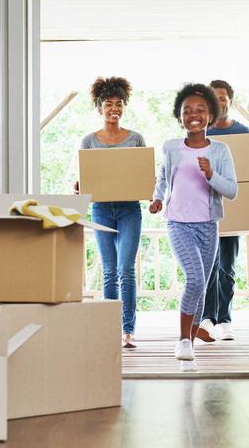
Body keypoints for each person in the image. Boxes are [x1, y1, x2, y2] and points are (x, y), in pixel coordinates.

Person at [149, 83, 238, 371]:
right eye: (187, 111)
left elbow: (232, 190)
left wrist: (211, 174)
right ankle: (183, 340)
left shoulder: (221, 151)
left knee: (202, 284)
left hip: (208, 224)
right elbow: (162, 178)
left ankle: (195, 328)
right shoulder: (171, 147)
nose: (194, 115)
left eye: (200, 110)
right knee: (196, 280)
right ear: (180, 117)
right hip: (178, 222)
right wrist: (157, 199)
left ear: (211, 114)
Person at [78, 77, 145, 349]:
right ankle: (110, 329)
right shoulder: (88, 141)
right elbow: (86, 180)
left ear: (124, 107)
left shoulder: (136, 138)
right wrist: (80, 185)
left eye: (118, 104)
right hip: (102, 210)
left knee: (125, 270)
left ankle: (128, 330)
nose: (114, 109)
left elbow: (142, 175)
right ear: (99, 108)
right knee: (108, 271)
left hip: (129, 209)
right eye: (108, 104)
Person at [199, 79, 249, 341]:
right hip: (206, 207)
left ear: (230, 100)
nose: (219, 102)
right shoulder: (202, 134)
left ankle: (225, 320)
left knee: (227, 267)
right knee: (207, 266)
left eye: (223, 98)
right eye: (214, 98)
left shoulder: (243, 132)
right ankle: (207, 317)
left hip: (234, 206)